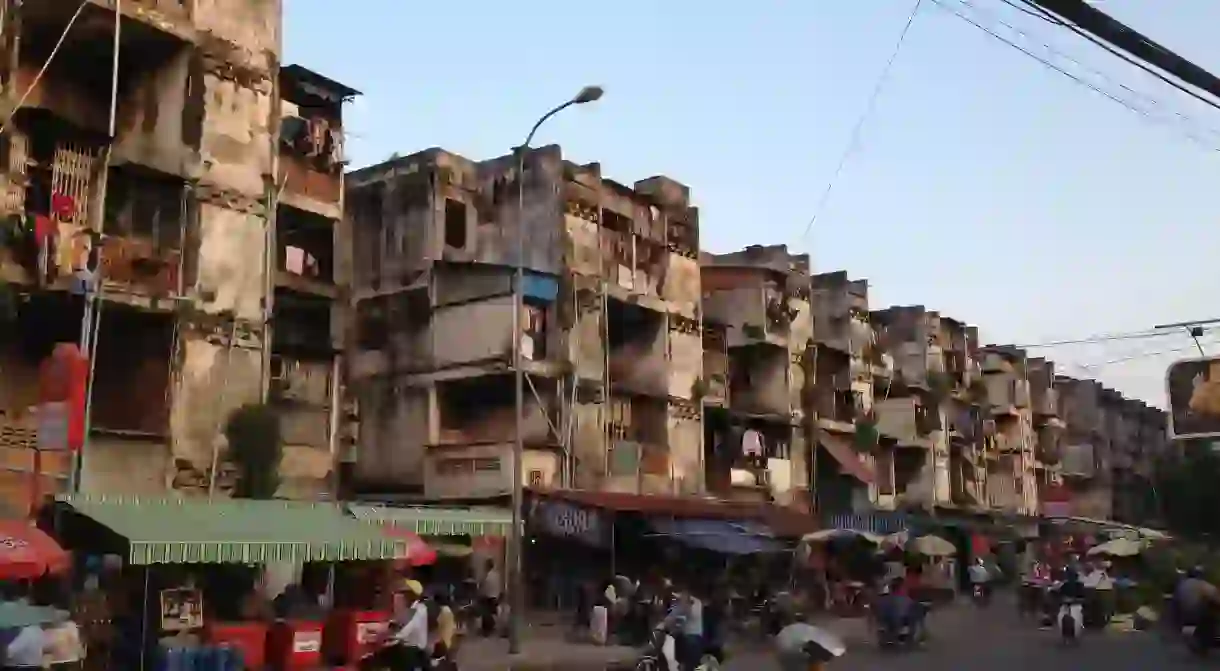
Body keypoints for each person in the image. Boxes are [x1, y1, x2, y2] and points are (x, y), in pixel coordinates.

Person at [365, 579, 429, 671]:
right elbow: (395, 624)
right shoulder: (409, 609)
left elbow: (405, 631)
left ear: (411, 595)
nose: (401, 595)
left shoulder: (419, 609)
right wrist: (373, 630)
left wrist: (387, 638)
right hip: (405, 649)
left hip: (412, 652)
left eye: (403, 592)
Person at [478, 560, 501, 637]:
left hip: (488, 597)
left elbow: (483, 587)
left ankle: (487, 630)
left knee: (486, 613)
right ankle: (491, 628)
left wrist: (480, 594)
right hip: (495, 596)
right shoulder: (496, 575)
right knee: (492, 613)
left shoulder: (487, 576)